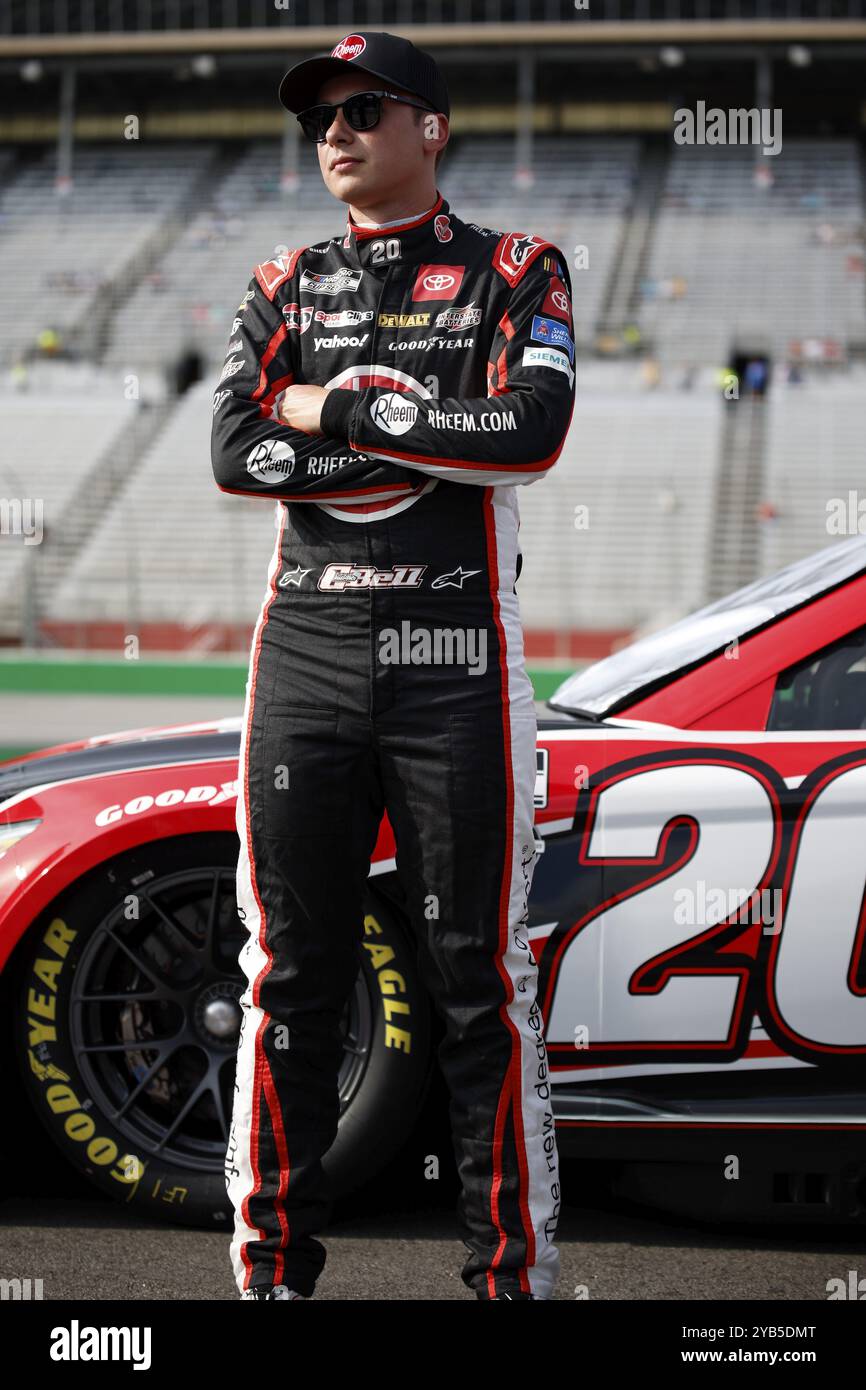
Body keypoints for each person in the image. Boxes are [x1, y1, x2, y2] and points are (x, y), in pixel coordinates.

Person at [212, 29, 576, 1302]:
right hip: (303, 660)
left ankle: (503, 1283)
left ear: (429, 128)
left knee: (476, 980)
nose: (334, 131)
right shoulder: (281, 276)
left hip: (456, 660)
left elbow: (529, 435)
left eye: (363, 108)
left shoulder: (516, 268)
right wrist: (421, 437)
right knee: (291, 979)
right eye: (319, 114)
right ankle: (269, 1278)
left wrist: (348, 410)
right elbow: (233, 452)